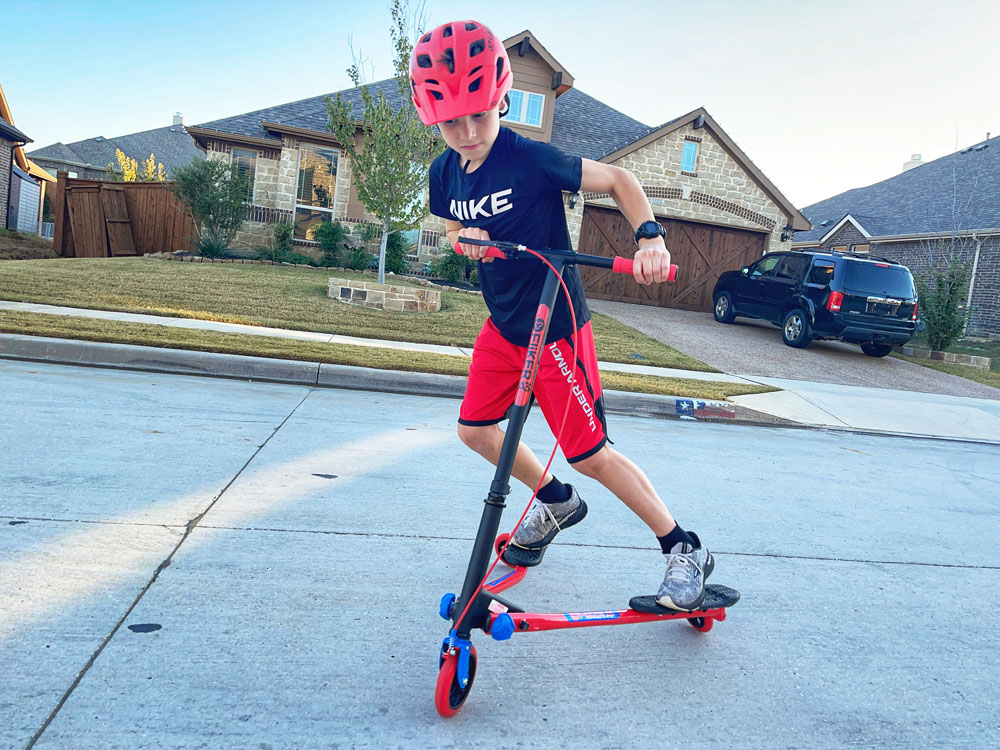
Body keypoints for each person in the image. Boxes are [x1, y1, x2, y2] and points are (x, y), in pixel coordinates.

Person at [411, 20, 713, 610]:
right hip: (503, 326)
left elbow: (620, 179)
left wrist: (650, 236)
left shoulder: (530, 160)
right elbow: (450, 225)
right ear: (432, 117)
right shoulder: (442, 172)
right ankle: (555, 500)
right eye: (452, 122)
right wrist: (462, 239)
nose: (469, 133)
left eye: (480, 114)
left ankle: (684, 547)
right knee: (474, 430)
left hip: (556, 325)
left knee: (591, 454)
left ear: (501, 99)